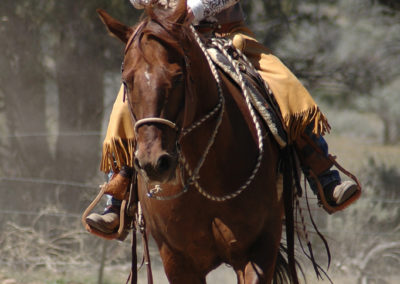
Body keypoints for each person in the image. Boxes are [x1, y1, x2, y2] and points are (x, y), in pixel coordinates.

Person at [86, 0, 360, 237]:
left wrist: (196, 7)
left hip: (225, 35)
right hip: (166, 42)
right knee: (129, 101)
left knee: (283, 84)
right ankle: (118, 197)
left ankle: (323, 172)